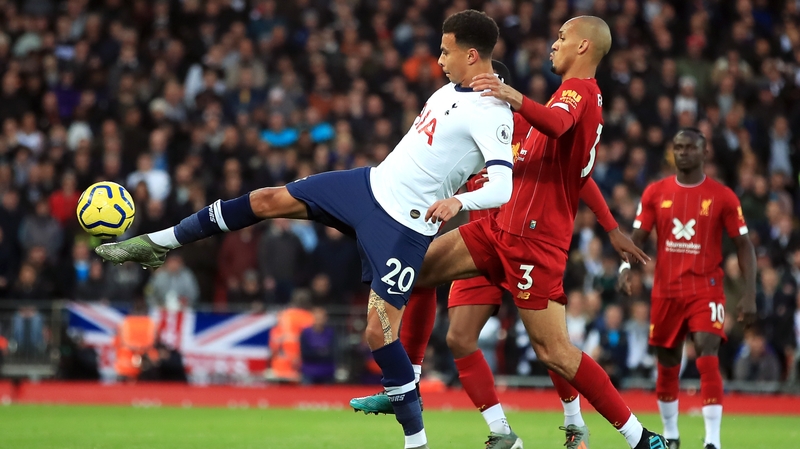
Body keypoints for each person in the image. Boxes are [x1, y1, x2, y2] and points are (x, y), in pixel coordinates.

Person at [95, 10, 514, 449]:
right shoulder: (450, 89)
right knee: (264, 199)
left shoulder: (492, 112)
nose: (439, 57)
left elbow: (501, 186)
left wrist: (458, 201)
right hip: (367, 186)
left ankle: (416, 441)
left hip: (404, 225)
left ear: (471, 54)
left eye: (446, 50)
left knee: (378, 333)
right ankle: (157, 243)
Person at [356, 15, 665, 449]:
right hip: (497, 229)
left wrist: (510, 94)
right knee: (416, 270)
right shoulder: (561, 98)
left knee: (554, 351)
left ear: (583, 47)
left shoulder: (578, 93)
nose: (552, 44)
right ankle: (410, 384)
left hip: (532, 242)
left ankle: (638, 437)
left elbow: (559, 132)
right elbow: (574, 168)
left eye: (561, 37)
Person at [619, 128, 758, 449]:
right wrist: (626, 268)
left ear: (704, 152)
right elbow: (635, 239)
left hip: (706, 288)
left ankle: (712, 441)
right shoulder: (655, 192)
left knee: (707, 353)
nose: (683, 152)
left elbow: (744, 245)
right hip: (666, 291)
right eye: (678, 147)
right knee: (667, 363)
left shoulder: (723, 196)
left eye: (690, 147)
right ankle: (671, 435)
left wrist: (750, 293)